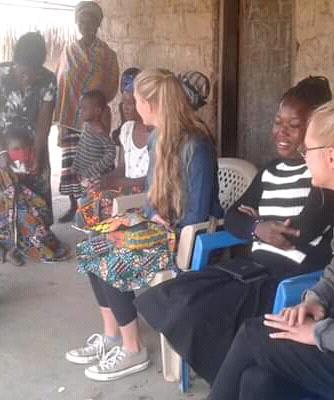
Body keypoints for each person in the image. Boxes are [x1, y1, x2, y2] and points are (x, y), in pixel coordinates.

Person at [135, 76, 334, 384]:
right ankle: (225, 371)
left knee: (208, 309)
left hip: (286, 277)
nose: (281, 132)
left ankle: (227, 376)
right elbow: (233, 217)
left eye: (294, 125)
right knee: (173, 297)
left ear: (315, 129)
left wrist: (257, 222)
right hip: (251, 268)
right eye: (278, 123)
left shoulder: (322, 178)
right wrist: (259, 226)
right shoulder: (269, 172)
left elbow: (299, 232)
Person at [208, 100, 334, 400]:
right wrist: (315, 300)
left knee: (253, 335)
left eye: (307, 150)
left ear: (331, 157)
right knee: (257, 381)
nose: (303, 156)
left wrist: (319, 333)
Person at [65, 69, 223, 382]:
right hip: (162, 229)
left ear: (150, 104)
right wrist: (151, 216)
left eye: (137, 101)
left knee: (113, 257)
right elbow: (152, 194)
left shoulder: (197, 145)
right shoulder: (158, 137)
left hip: (189, 239)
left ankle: (133, 349)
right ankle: (112, 336)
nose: (135, 108)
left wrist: (162, 225)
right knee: (93, 245)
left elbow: (198, 213)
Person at [55, 1, 119, 223]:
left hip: (96, 117)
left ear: (98, 23)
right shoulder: (68, 51)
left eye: (90, 21)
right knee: (72, 164)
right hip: (70, 114)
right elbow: (61, 82)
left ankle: (94, 205)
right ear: (77, 23)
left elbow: (111, 85)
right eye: (81, 21)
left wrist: (95, 108)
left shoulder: (108, 55)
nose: (85, 25)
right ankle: (74, 206)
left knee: (94, 162)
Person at [0, 32, 56, 222]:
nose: (27, 78)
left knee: (36, 194)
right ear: (15, 62)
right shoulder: (1, 76)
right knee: (6, 196)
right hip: (4, 145)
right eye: (23, 72)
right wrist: (2, 152)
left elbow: (44, 123)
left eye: (33, 72)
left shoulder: (48, 80)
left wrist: (38, 155)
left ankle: (39, 234)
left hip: (34, 146)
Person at [0, 127, 69, 265]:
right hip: (7, 203)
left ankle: (14, 250)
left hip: (18, 199)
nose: (21, 152)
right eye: (16, 149)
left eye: (23, 148)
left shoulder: (18, 160)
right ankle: (6, 253)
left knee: (34, 216)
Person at [103, 68, 151, 194]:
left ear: (144, 103)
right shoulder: (126, 130)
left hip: (151, 197)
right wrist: (106, 179)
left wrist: (122, 183)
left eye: (130, 103)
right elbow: (122, 166)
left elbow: (155, 178)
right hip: (129, 196)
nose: (125, 108)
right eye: (123, 103)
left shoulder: (158, 135)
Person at [72, 90, 116, 191]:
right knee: (86, 198)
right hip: (85, 176)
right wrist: (76, 166)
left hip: (96, 179)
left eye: (84, 109)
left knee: (94, 198)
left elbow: (111, 152)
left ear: (97, 111)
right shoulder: (87, 126)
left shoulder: (99, 131)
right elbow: (81, 148)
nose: (80, 111)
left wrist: (92, 170)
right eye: (80, 108)